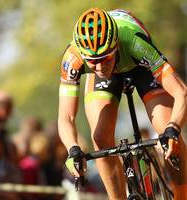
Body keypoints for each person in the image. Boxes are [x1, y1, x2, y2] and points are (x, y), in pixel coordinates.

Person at [58, 8, 187, 200]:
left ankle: (182, 196)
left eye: (105, 57)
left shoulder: (134, 42)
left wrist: (173, 128)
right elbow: (66, 116)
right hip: (110, 77)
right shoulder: (73, 58)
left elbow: (181, 91)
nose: (100, 66)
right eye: (93, 61)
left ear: (116, 45)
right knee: (100, 137)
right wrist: (73, 149)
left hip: (139, 65)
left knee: (164, 128)